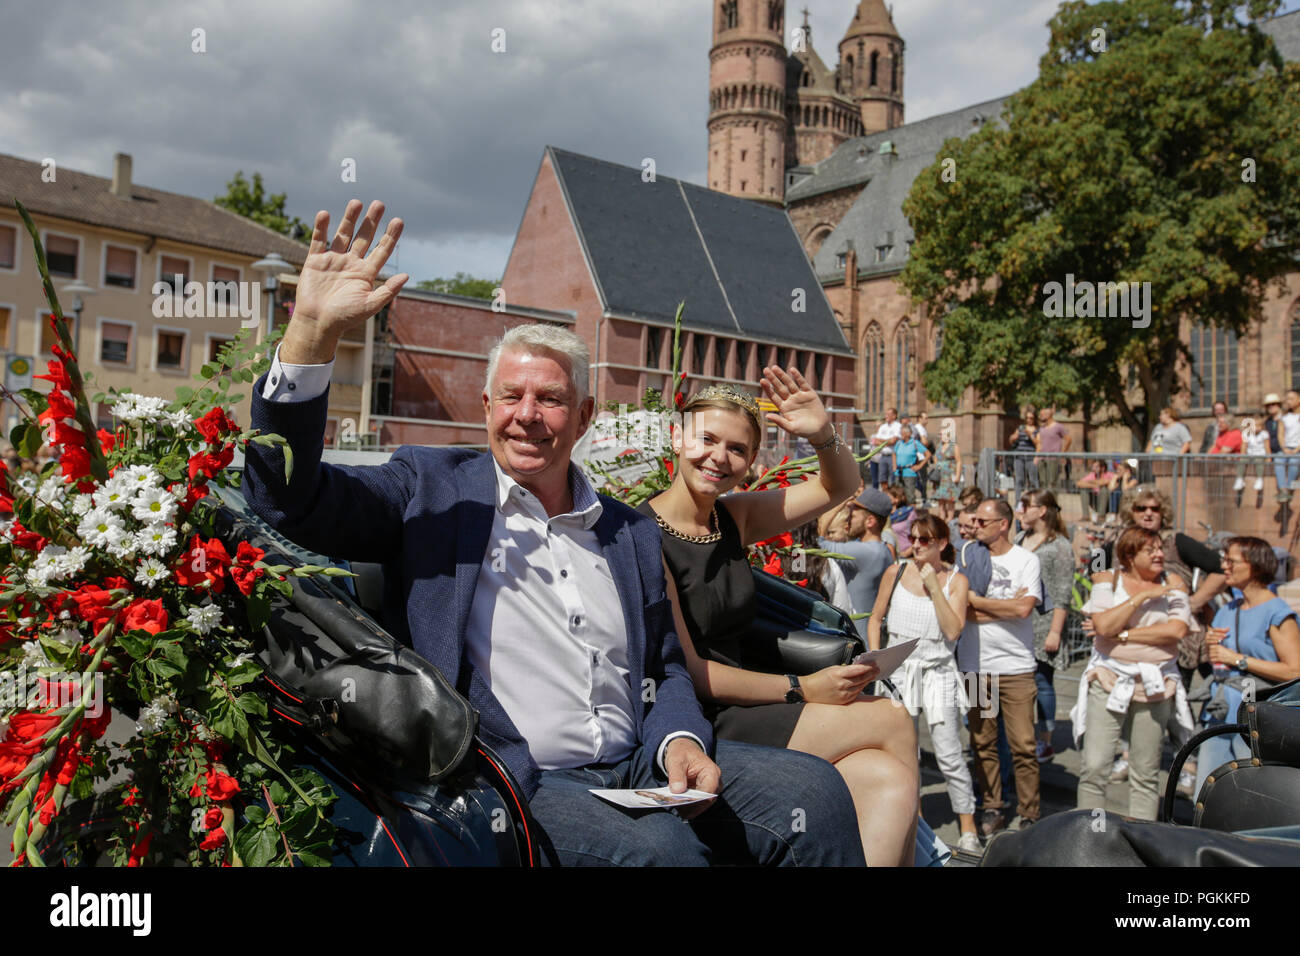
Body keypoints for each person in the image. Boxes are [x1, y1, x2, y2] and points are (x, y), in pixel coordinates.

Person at [243, 199, 865, 867]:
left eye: (550, 399)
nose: (528, 417)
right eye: (511, 397)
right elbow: (287, 499)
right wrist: (310, 334)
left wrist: (679, 741)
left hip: (641, 764)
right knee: (663, 856)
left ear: (585, 415)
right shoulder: (428, 489)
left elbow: (665, 668)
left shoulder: (627, 531)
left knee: (816, 793)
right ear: (486, 407)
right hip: (516, 781)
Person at [642, 378, 920, 866]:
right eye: (706, 440)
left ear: (750, 462)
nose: (718, 458)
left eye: (736, 449)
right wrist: (802, 688)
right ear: (676, 437)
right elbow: (691, 669)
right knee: (891, 717)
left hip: (751, 704)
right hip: (696, 719)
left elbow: (841, 486)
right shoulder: (643, 534)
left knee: (884, 776)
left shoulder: (733, 518)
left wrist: (822, 434)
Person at [868, 513, 979, 854]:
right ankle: (914, 823)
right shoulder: (896, 571)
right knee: (904, 752)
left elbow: (952, 630)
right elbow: (875, 617)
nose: (914, 545)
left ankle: (968, 826)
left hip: (938, 669)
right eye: (912, 538)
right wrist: (876, 657)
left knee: (948, 751)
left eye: (924, 540)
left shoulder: (956, 581)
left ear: (942, 544)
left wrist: (934, 587)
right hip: (899, 668)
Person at [1075, 528, 1193, 820]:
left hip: (1156, 685)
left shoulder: (1174, 582)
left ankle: (1141, 841)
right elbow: (1102, 627)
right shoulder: (1107, 579)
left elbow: (1176, 630)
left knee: (1146, 771)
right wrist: (1140, 599)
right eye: (1150, 550)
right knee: (1095, 766)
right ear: (1129, 555)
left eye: (1160, 549)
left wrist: (1124, 633)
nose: (1159, 555)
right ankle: (1090, 837)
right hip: (1108, 679)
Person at [959, 497, 1043, 835]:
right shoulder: (967, 557)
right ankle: (992, 805)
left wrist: (978, 602)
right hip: (976, 665)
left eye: (981, 521)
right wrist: (1002, 604)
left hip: (1016, 667)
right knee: (983, 743)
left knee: (1023, 745)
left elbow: (1023, 610)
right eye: (974, 521)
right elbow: (961, 609)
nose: (973, 526)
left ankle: (1030, 813)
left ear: (1003, 524)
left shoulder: (1027, 560)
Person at [1193, 537, 1300, 797]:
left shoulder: (1277, 612)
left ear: (1255, 566)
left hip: (1256, 717)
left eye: (1231, 561)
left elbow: (1294, 671)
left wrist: (1237, 659)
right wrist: (1211, 649)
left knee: (1249, 796)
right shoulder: (1228, 609)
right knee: (1207, 793)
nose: (1224, 566)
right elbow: (1217, 660)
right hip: (1222, 712)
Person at [1015, 490, 1072, 765]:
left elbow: (1063, 592)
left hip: (1044, 623)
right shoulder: (1019, 538)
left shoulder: (1059, 545)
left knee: (1042, 681)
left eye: (1026, 505)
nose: (1021, 509)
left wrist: (1055, 631)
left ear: (1043, 510)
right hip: (1018, 622)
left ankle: (1045, 739)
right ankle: (1023, 734)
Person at [819, 487, 896, 640]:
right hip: (863, 638)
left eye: (853, 513)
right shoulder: (882, 549)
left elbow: (817, 544)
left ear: (870, 521)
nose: (848, 518)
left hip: (856, 639)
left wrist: (837, 505)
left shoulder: (868, 552)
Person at [931, 417, 962, 518]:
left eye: (942, 434)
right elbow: (935, 457)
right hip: (941, 477)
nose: (941, 436)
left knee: (950, 499)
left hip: (949, 476)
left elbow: (959, 461)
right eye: (940, 434)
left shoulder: (954, 446)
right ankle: (942, 518)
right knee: (940, 499)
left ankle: (950, 518)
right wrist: (938, 465)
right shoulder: (939, 446)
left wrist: (957, 475)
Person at [1008, 405, 1039, 504]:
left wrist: (1030, 435)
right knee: (1019, 480)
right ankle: (1018, 502)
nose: (1029, 420)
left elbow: (1038, 443)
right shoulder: (1021, 428)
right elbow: (1011, 441)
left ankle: (1035, 501)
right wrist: (1013, 438)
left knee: (1033, 480)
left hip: (1031, 457)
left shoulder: (1037, 429)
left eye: (1031, 418)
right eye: (1027, 418)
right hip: (1019, 457)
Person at [893, 424, 931, 505]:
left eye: (902, 433)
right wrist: (894, 467)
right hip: (898, 473)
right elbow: (894, 453)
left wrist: (919, 466)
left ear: (908, 434)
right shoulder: (899, 443)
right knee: (898, 496)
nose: (901, 435)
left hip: (909, 473)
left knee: (910, 497)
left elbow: (928, 454)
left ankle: (912, 515)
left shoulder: (915, 443)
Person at [1237, 416, 1269, 508]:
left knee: (1259, 462)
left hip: (1260, 454)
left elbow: (1267, 447)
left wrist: (1269, 458)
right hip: (1250, 454)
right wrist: (1242, 455)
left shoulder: (1264, 434)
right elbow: (1244, 446)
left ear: (1262, 426)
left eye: (1258, 425)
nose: (1256, 427)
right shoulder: (1247, 434)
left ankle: (1259, 479)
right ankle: (1239, 479)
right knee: (1242, 461)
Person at [1274, 389, 1300, 505]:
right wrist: (1284, 448)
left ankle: (1289, 487)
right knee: (1278, 459)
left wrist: (1296, 449)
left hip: (1298, 449)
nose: (1288, 402)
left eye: (1291, 399)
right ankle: (1283, 489)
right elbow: (1280, 434)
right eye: (1287, 399)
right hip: (1286, 448)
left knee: (1294, 461)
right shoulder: (1284, 417)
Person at [1075, 458, 1115, 524]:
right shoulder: (1092, 475)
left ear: (1103, 468)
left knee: (1104, 489)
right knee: (1083, 490)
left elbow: (1105, 481)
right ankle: (1086, 516)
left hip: (1107, 503)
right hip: (1095, 501)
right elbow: (1079, 483)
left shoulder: (1109, 474)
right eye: (1093, 466)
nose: (1093, 469)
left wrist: (1090, 482)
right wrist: (1094, 485)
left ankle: (1101, 516)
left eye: (1096, 467)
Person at [870, 409, 902, 488]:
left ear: (894, 416)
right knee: (882, 478)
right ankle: (886, 495)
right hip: (883, 456)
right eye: (886, 414)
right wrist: (888, 441)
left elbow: (894, 441)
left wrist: (883, 441)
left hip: (893, 456)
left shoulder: (898, 426)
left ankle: (893, 497)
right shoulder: (883, 427)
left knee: (893, 478)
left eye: (888, 414)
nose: (886, 416)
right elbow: (875, 441)